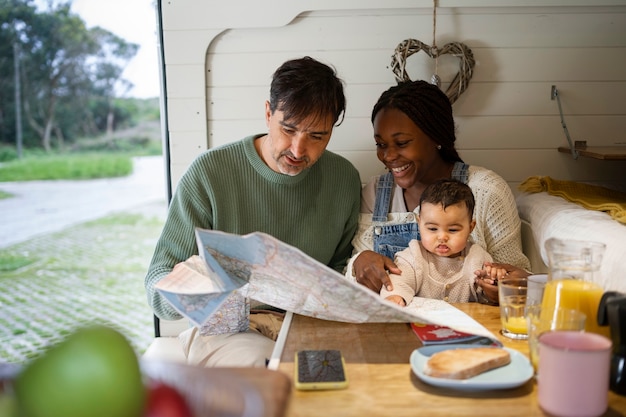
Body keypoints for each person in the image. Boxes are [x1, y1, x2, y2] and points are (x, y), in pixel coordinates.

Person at [145, 56, 361, 367]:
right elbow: (157, 281)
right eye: (288, 129)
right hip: (231, 333)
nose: (298, 150)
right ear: (268, 113)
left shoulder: (343, 179)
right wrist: (200, 290)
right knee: (259, 372)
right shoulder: (209, 173)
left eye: (317, 136)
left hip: (308, 328)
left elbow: (340, 269)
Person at [346, 80, 530, 305]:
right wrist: (358, 263)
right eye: (381, 145)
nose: (388, 156)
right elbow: (354, 273)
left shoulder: (487, 191)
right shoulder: (376, 193)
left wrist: (503, 287)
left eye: (402, 143)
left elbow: (520, 277)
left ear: (436, 138)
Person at [381, 178, 506, 306]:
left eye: (452, 230)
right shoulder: (413, 256)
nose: (442, 237)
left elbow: (489, 298)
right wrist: (395, 296)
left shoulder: (478, 258)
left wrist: (493, 284)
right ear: (419, 224)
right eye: (432, 229)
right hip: (423, 323)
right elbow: (399, 281)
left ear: (471, 227)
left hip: (463, 324)